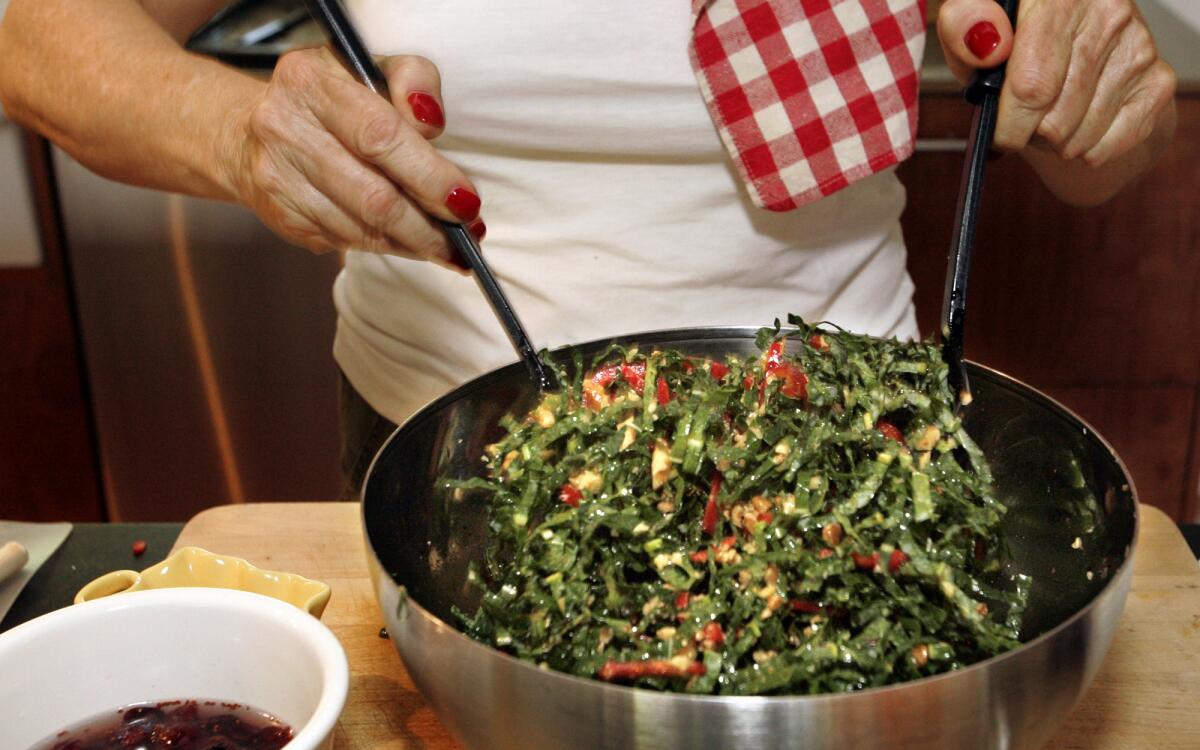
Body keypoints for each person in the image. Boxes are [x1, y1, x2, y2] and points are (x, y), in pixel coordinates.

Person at [0, 0, 1176, 496]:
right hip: (453, 454)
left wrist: (1099, 97)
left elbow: (1089, 129)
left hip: (859, 444)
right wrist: (234, 131)